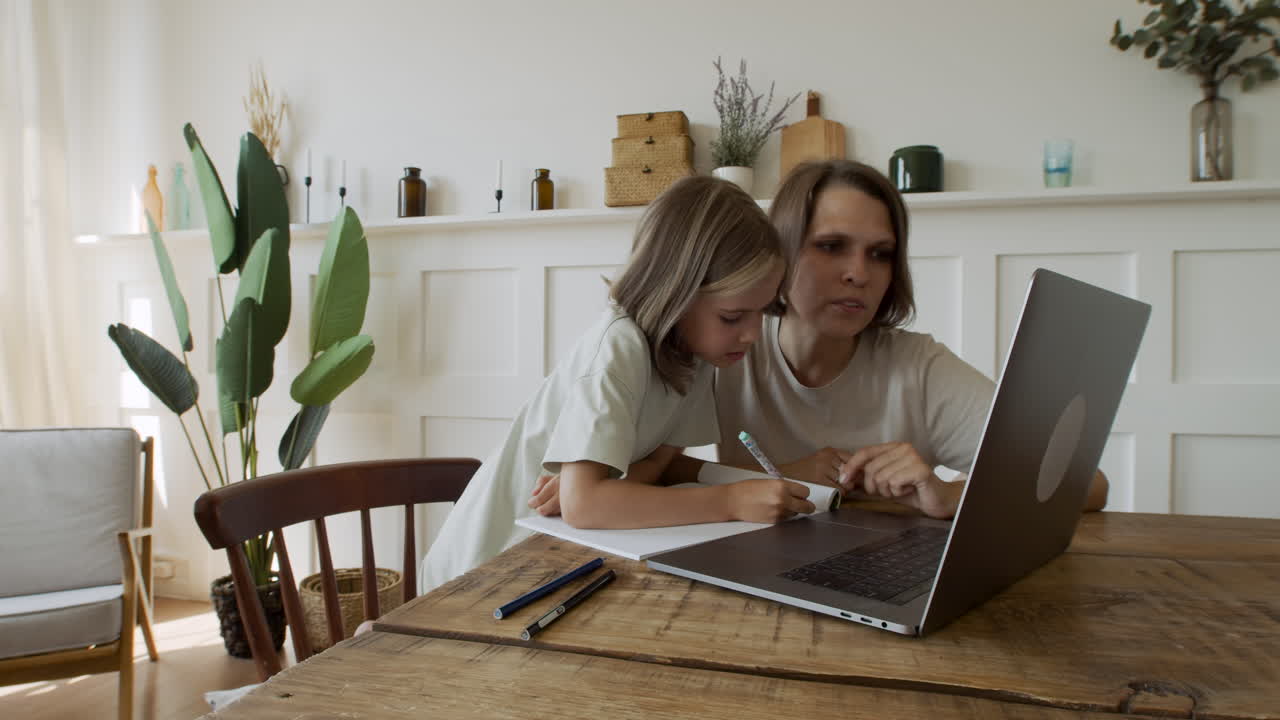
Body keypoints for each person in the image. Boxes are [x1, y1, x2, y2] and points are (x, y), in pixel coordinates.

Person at [421, 176, 808, 593]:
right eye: (733, 317)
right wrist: (731, 503)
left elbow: (659, 463)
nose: (752, 334)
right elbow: (585, 507)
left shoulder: (697, 357)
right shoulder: (619, 347)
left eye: (761, 314)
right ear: (675, 293)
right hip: (482, 566)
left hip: (551, 555)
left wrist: (604, 490)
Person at [707, 159, 1109, 518]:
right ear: (782, 249)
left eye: (880, 254)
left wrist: (949, 495)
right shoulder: (725, 347)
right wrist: (787, 477)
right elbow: (655, 476)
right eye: (831, 246)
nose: (860, 274)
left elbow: (1088, 484)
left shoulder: (920, 367)